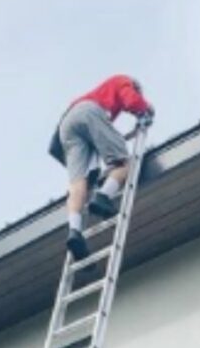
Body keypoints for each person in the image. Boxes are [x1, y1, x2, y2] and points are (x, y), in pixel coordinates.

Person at [49, 75, 154, 260]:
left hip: (66, 126)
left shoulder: (100, 97)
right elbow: (132, 101)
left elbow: (106, 138)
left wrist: (129, 134)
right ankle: (104, 196)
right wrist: (146, 109)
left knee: (78, 184)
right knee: (124, 163)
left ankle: (74, 231)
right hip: (89, 113)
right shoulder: (124, 81)